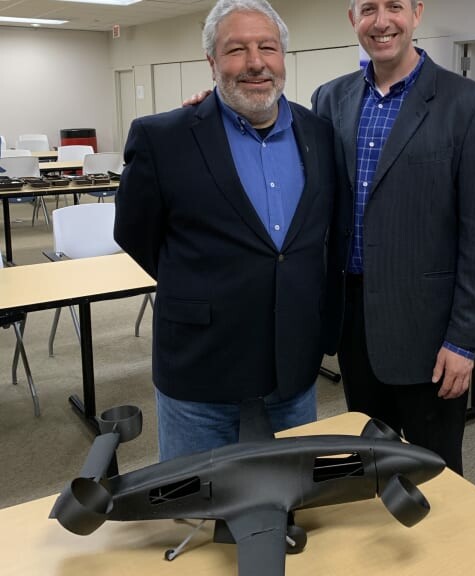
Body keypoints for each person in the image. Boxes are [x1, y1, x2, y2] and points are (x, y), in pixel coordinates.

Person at [114, 0, 336, 461]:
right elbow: (135, 233)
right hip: (201, 367)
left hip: (291, 365)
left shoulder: (318, 133)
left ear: (283, 59)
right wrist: (199, 281)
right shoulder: (163, 138)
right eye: (236, 50)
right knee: (196, 510)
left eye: (267, 48)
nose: (255, 62)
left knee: (293, 501)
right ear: (212, 63)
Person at [311, 0, 475, 474]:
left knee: (435, 471)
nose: (381, 21)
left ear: (416, 13)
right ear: (351, 18)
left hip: (429, 331)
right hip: (354, 324)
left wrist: (465, 341)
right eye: (368, 8)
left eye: (394, 5)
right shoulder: (329, 100)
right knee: (371, 460)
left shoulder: (470, 104)